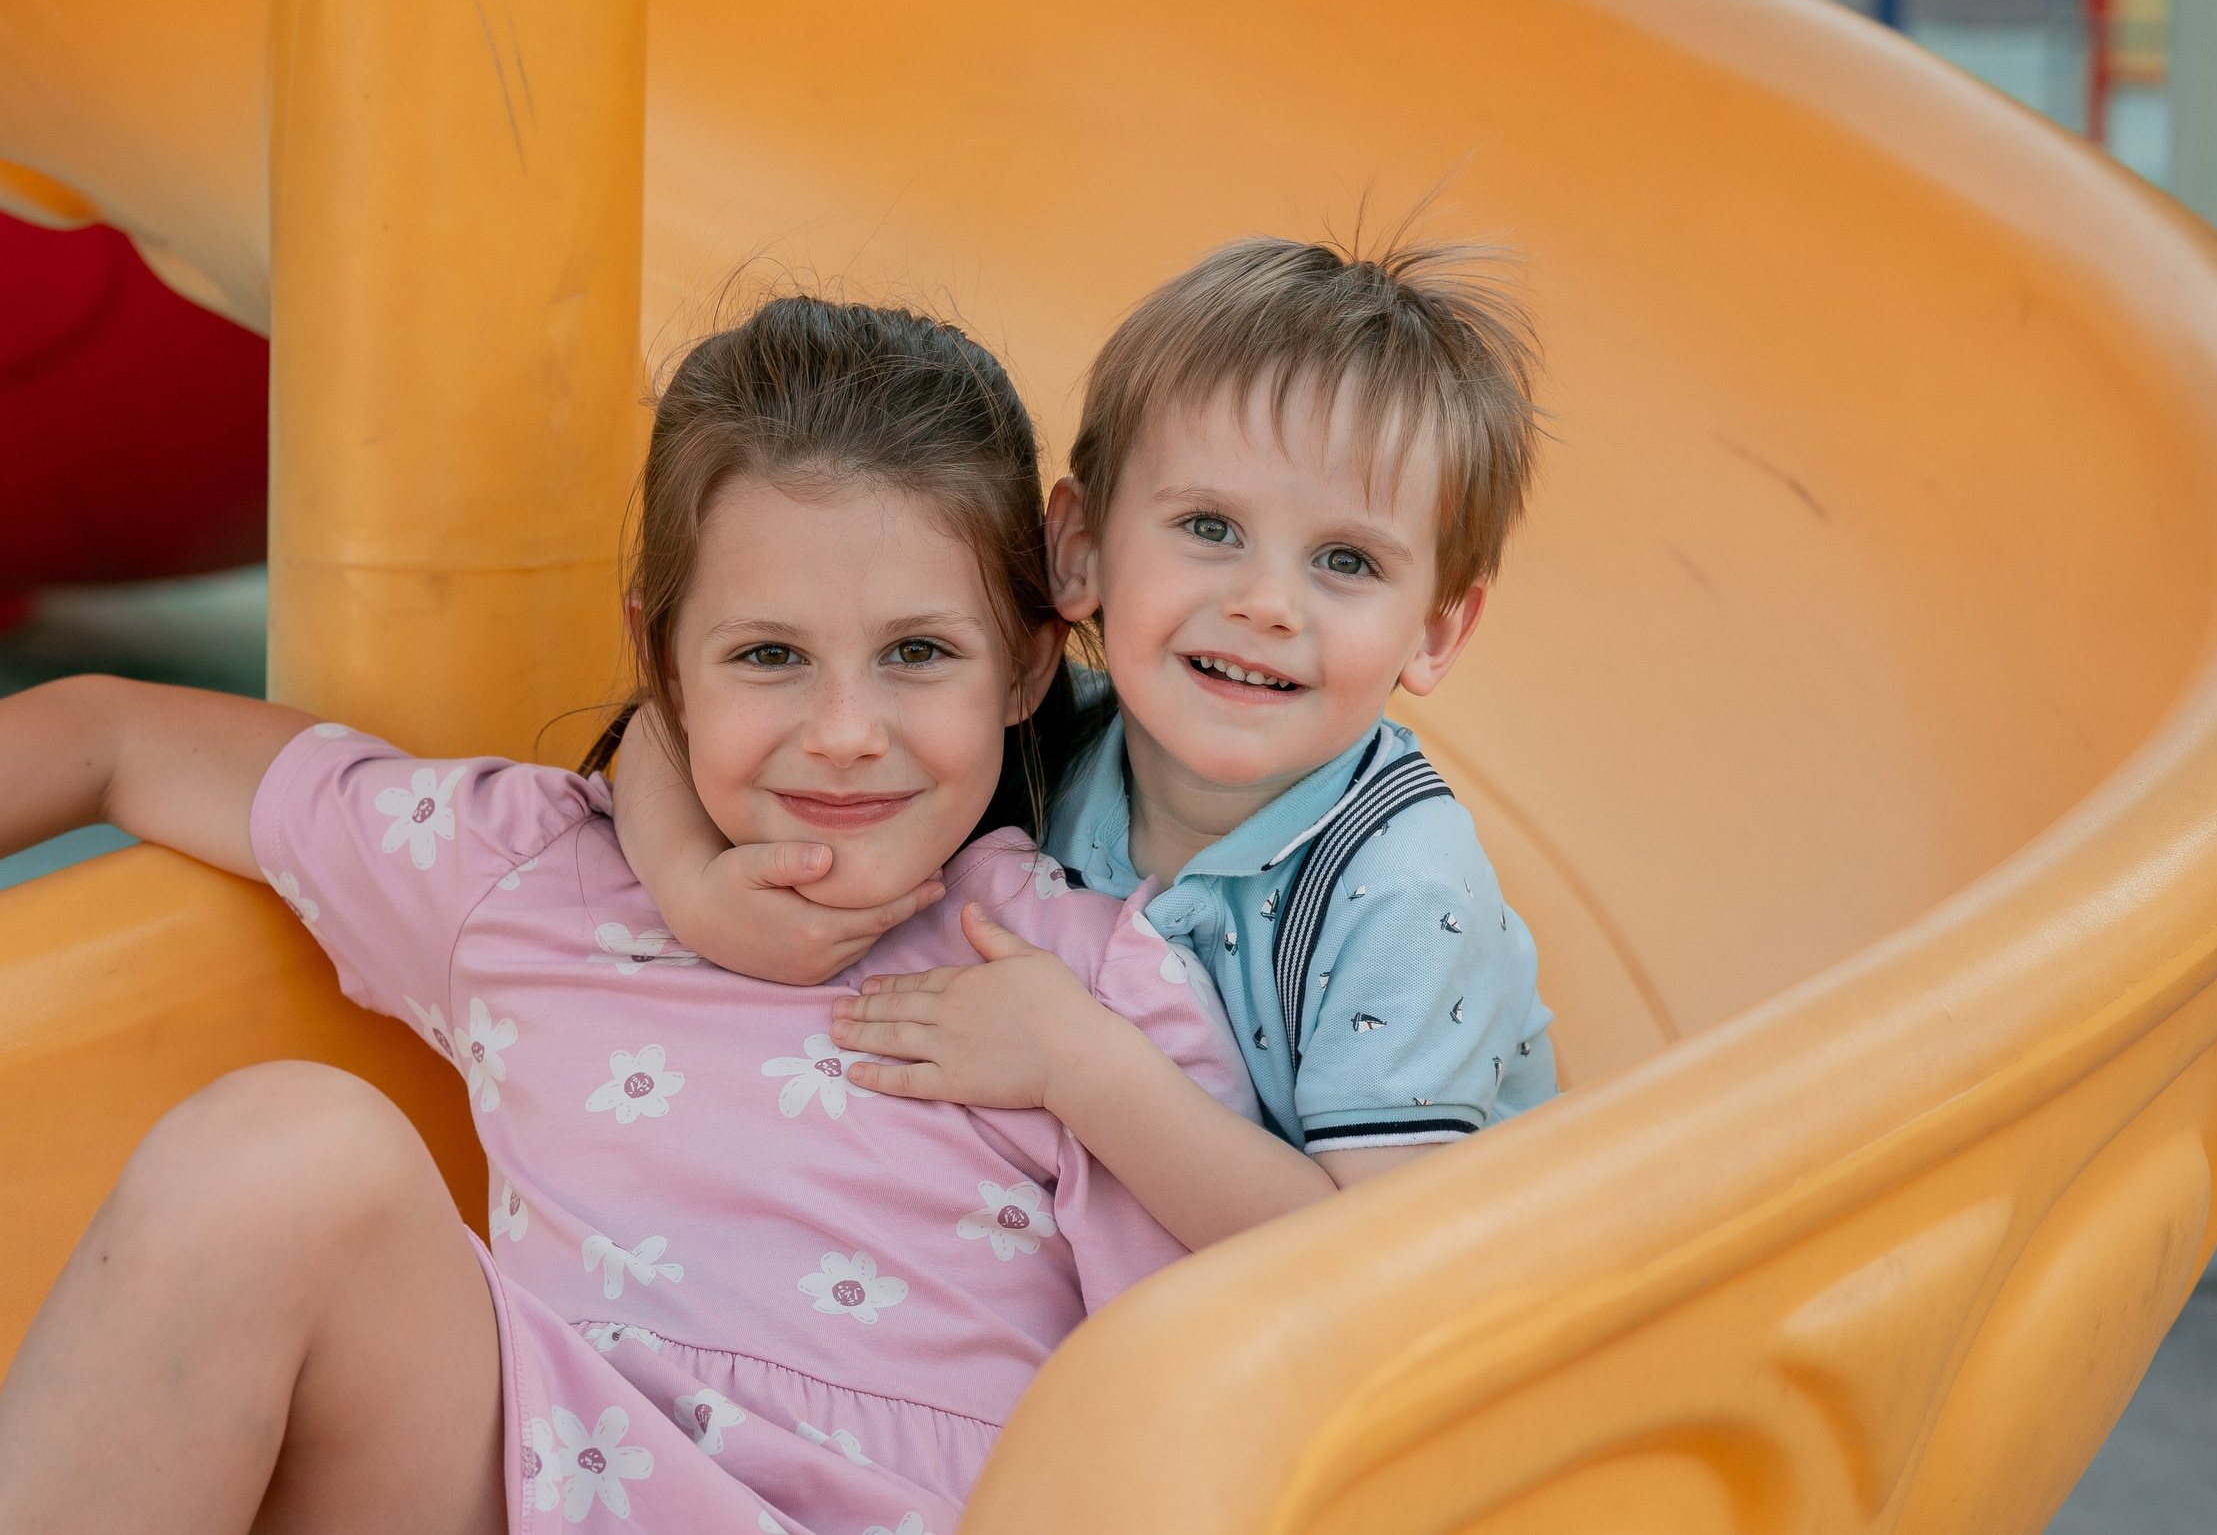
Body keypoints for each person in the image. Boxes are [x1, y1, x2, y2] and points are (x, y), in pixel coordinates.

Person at [0, 296, 1252, 1535]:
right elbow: (109, 736)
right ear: (660, 656)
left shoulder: (1083, 989)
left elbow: (1220, 1398)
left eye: (918, 653)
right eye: (766, 655)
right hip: (559, 1482)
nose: (846, 734)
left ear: (1026, 662)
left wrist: (1092, 1068)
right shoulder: (538, 880)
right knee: (285, 1152)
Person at [616, 234, 1559, 1253]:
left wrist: (1079, 1065)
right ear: (1079, 546)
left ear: (1434, 630)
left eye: (1346, 558)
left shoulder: (1402, 893)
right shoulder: (1065, 730)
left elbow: (1372, 1267)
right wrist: (688, 885)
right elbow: (658, 728)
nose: (1265, 602)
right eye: (1209, 526)